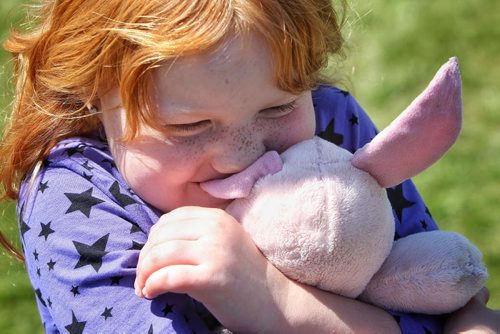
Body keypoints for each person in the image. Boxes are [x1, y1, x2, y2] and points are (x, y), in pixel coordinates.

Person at [0, 0, 497, 333]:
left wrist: (278, 300)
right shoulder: (74, 194)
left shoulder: (332, 122)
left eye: (278, 108)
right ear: (92, 91)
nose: (243, 155)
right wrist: (276, 306)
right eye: (189, 126)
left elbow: (450, 306)